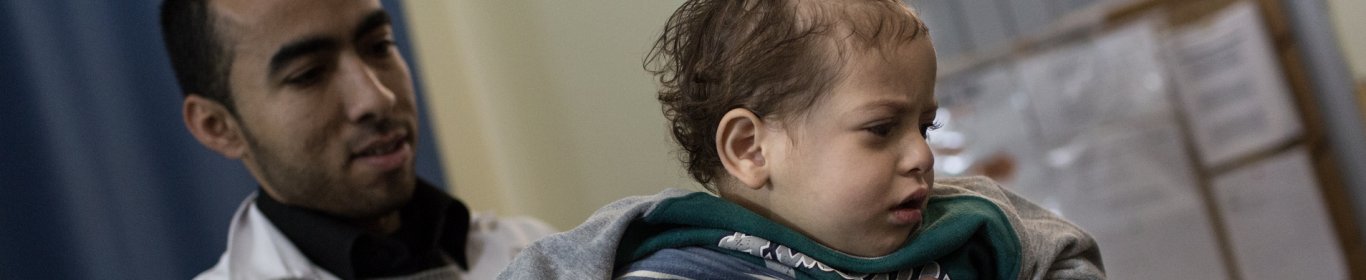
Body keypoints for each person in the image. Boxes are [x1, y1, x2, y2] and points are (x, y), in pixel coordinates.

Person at [499, 0, 1104, 279]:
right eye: (880, 130)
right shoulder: (688, 267)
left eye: (925, 126)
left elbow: (1064, 256)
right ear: (750, 149)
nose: (922, 156)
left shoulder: (970, 222)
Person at [159, 0, 554, 279]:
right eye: (309, 74)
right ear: (217, 126)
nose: (376, 98)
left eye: (379, 47)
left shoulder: (539, 251)